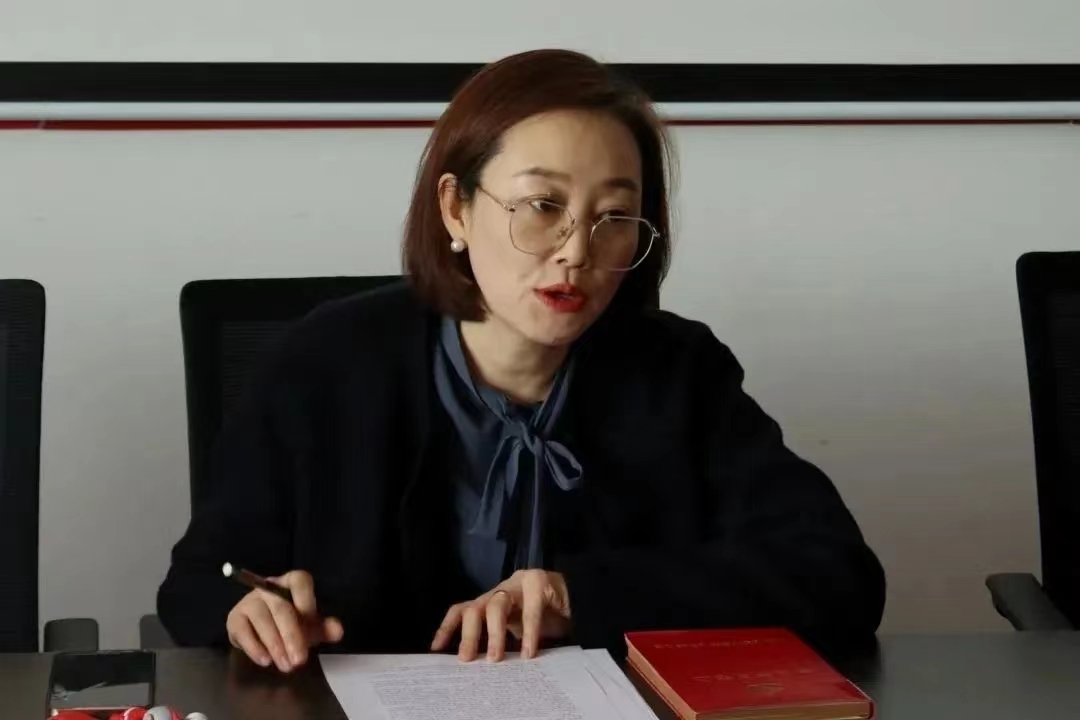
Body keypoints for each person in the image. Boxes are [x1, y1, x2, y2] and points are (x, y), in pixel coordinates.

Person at [158, 49, 885, 673]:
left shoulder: (678, 373)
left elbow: (839, 576)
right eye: (542, 206)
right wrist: (245, 609)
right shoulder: (327, 361)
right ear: (456, 209)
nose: (577, 251)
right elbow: (200, 579)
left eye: (614, 217)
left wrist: (580, 594)